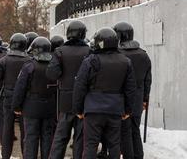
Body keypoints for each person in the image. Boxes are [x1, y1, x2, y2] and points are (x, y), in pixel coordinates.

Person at [72, 27, 136, 159]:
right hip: (115, 108)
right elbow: (130, 89)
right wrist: (128, 110)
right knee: (114, 145)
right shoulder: (125, 61)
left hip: (93, 109)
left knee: (90, 144)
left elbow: (80, 86)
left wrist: (78, 109)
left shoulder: (90, 60)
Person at [47, 21, 90, 159]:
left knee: (60, 137)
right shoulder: (89, 51)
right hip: (84, 100)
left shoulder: (60, 51)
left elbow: (52, 74)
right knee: (80, 138)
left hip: (65, 100)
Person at [12, 37, 56, 159]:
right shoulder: (54, 65)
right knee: (47, 138)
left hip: (31, 107)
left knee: (31, 138)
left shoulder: (29, 66)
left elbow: (20, 87)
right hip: (50, 107)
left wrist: (16, 106)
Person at [114, 22, 152, 159]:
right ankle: (138, 155)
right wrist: (145, 99)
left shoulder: (117, 54)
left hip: (122, 98)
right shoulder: (144, 55)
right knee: (135, 130)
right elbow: (148, 80)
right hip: (138, 98)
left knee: (124, 131)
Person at [0, 33, 30, 159]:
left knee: (7, 128)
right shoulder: (29, 60)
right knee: (25, 129)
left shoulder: (4, 60)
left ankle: (5, 155)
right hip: (26, 98)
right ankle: (26, 155)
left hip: (8, 97)